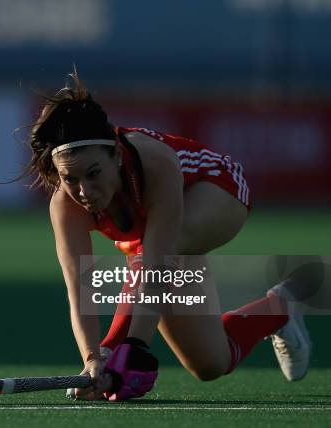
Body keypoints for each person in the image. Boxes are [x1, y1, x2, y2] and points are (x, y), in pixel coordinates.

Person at [18, 71, 312, 401]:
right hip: (157, 249)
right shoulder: (65, 206)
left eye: (94, 173)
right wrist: (92, 359)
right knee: (211, 363)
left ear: (116, 154)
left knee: (157, 252)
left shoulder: (154, 163)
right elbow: (79, 291)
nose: (84, 190)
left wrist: (126, 349)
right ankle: (280, 307)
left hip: (216, 190)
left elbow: (158, 264)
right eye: (70, 179)